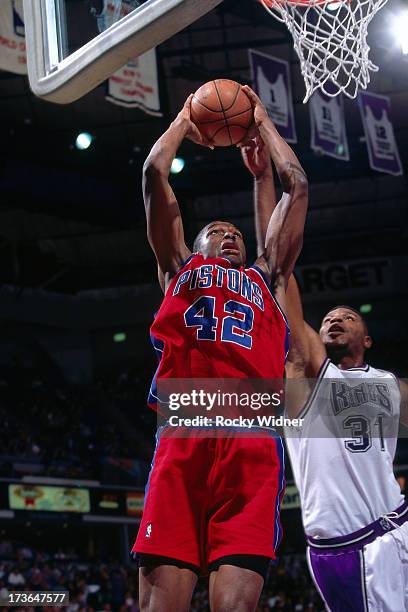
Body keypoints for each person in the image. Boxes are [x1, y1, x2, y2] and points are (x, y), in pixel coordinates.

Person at [131, 85, 308, 612]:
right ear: (196, 242)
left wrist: (261, 122)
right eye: (217, 231)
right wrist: (187, 118)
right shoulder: (180, 269)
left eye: (236, 232)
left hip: (251, 445)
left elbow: (296, 185)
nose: (230, 236)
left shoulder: (267, 278)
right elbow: (153, 175)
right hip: (184, 439)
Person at [283, 279, 408, 611]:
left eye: (347, 318)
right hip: (351, 545)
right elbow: (283, 283)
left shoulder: (388, 384)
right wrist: (275, 251)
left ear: (366, 339)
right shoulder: (307, 379)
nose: (334, 320)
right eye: (326, 320)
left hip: (400, 521)